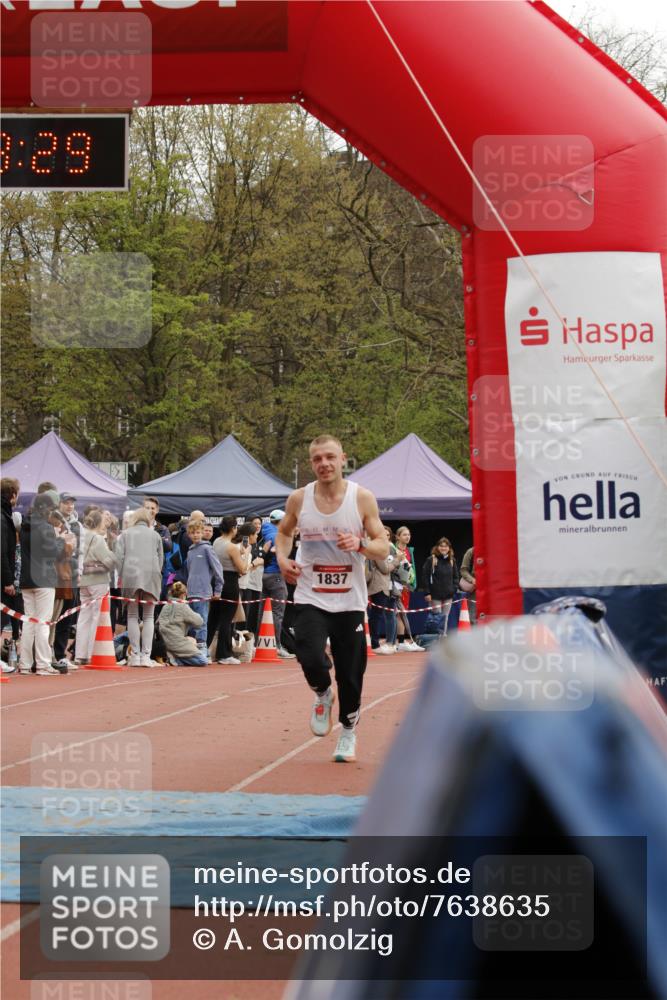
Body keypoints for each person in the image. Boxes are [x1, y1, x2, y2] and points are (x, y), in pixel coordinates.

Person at [276, 434, 389, 763]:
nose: (323, 464)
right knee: (309, 654)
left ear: (343, 459)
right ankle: (323, 693)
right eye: (317, 459)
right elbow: (284, 533)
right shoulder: (299, 499)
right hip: (311, 594)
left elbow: (383, 544)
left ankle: (348, 732)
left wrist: (360, 545)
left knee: (351, 674)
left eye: (330, 457)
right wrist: (283, 560)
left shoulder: (362, 498)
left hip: (349, 601)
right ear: (311, 463)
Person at [19, 491, 76, 676]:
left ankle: (25, 664)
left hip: (27, 579)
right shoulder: (45, 527)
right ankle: (43, 664)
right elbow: (53, 553)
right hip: (43, 579)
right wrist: (60, 539)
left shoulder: (25, 525)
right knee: (43, 622)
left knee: (29, 623)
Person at [114, 508, 164, 667]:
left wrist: (122, 575)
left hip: (131, 575)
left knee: (132, 615)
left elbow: (118, 557)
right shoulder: (155, 535)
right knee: (149, 616)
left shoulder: (126, 535)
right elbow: (161, 558)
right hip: (151, 575)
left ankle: (135, 655)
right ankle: (146, 656)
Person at [73, 510, 117, 666]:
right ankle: (92, 652)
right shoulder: (98, 539)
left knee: (84, 616)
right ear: (98, 523)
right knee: (97, 616)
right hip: (98, 579)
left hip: (83, 579)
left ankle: (80, 653)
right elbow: (109, 560)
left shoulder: (80, 536)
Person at [211, 516, 251, 664]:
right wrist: (246, 554)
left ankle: (207, 650)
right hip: (230, 582)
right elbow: (242, 569)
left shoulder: (216, 541)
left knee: (214, 618)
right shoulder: (232, 547)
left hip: (217, 581)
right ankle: (224, 654)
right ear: (233, 528)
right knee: (227, 620)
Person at [185, 517, 223, 661]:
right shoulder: (190, 551)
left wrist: (218, 590)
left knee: (201, 622)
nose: (195, 535)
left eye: (198, 532)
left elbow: (218, 570)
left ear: (202, 533)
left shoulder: (207, 549)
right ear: (189, 534)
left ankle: (203, 651)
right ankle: (195, 649)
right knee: (191, 623)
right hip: (191, 593)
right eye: (192, 532)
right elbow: (190, 572)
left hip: (203, 593)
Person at [261, 510, 295, 659]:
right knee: (277, 613)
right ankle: (277, 646)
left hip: (264, 574)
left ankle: (265, 644)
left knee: (265, 612)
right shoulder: (277, 535)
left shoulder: (267, 530)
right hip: (275, 575)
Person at [366, 525, 399, 654]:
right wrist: (397, 561)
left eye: (387, 534)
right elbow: (385, 569)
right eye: (383, 534)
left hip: (383, 586)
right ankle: (374, 644)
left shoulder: (384, 549)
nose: (386, 536)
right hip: (378, 586)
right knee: (376, 616)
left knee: (377, 616)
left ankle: (373, 642)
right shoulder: (377, 550)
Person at [159, 582, 208, 666]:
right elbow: (199, 622)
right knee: (203, 661)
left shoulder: (165, 606)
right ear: (183, 594)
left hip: (163, 641)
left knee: (191, 644)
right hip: (176, 641)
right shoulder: (183, 606)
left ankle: (174, 656)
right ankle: (176, 660)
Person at [393, 525, 423, 652]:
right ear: (398, 536)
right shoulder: (393, 549)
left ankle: (402, 641)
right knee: (397, 614)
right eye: (404, 534)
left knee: (403, 614)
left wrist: (412, 583)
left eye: (409, 534)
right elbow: (391, 567)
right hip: (395, 586)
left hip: (407, 587)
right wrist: (397, 583)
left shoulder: (409, 551)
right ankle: (399, 641)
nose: (407, 537)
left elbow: (412, 569)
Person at [421, 537, 459, 636]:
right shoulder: (431, 559)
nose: (443, 548)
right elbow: (425, 576)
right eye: (441, 546)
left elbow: (456, 577)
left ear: (449, 548)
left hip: (448, 594)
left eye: (446, 546)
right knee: (436, 617)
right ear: (437, 547)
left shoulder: (452, 560)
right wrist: (427, 592)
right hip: (434, 595)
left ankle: (443, 637)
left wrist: (453, 589)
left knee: (445, 617)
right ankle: (435, 639)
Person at [237, 520, 264, 643]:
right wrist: (254, 563)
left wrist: (254, 565)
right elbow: (241, 570)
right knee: (236, 620)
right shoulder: (241, 548)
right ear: (249, 535)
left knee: (243, 617)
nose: (257, 535)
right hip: (238, 587)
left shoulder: (248, 547)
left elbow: (245, 569)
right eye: (255, 534)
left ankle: (241, 644)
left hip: (244, 586)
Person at [1, 477, 20, 641]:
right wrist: (8, 581)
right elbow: (3, 552)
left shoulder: (5, 515)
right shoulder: (3, 517)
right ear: (13, 494)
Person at [460, 546, 477, 624]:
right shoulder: (471, 551)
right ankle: (475, 635)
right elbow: (463, 570)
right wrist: (472, 579)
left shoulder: (496, 550)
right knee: (473, 617)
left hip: (492, 588)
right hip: (475, 589)